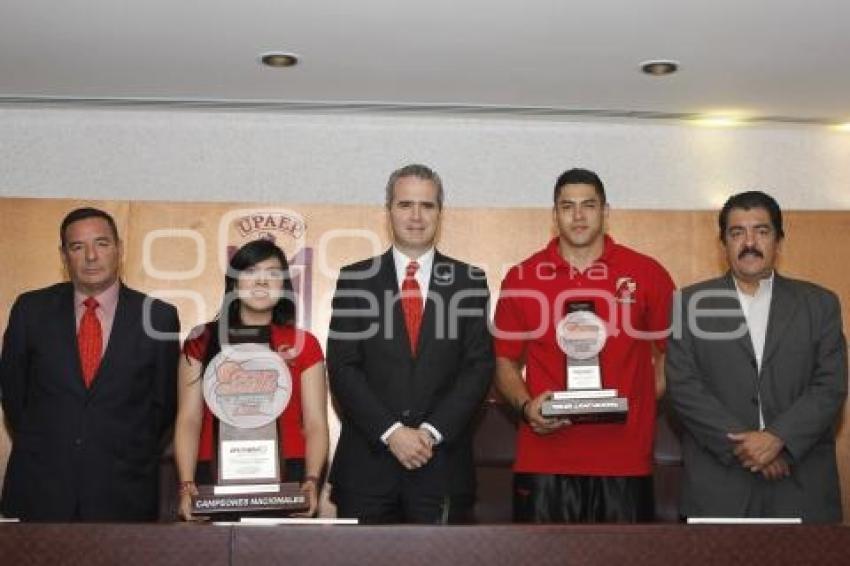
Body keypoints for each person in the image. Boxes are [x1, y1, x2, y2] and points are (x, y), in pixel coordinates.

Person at [493, 168, 676, 523]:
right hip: (544, 460)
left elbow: (677, 355)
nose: (578, 216)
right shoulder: (522, 276)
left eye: (589, 205)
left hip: (625, 460)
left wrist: (640, 398)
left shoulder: (647, 273)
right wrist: (528, 407)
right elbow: (504, 362)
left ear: (606, 212)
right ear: (554, 215)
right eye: (567, 206)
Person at [665, 190, 847, 522]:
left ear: (779, 240)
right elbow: (684, 388)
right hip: (719, 487)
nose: (750, 242)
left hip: (801, 483)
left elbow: (830, 385)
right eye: (737, 233)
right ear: (723, 243)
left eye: (761, 231)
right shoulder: (687, 305)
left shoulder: (820, 304)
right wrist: (749, 447)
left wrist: (779, 438)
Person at [327, 163, 493, 523]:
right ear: (389, 211)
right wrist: (393, 433)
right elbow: (343, 367)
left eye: (427, 205)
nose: (416, 216)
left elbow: (478, 367)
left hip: (442, 470)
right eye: (405, 205)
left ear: (440, 213)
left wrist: (430, 433)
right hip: (367, 473)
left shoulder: (470, 281)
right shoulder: (356, 279)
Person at [0, 207, 180, 521]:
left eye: (102, 243)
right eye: (77, 246)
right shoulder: (30, 310)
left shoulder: (158, 316)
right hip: (40, 491)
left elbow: (164, 408)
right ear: (63, 255)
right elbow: (14, 396)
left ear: (120, 248)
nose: (91, 256)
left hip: (124, 493)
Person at [174, 238, 328, 520]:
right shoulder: (201, 340)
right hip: (212, 475)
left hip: (290, 476)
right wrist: (186, 485)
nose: (261, 282)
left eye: (272, 273)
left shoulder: (304, 344)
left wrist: (312, 480)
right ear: (233, 284)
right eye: (250, 272)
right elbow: (189, 419)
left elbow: (316, 422)